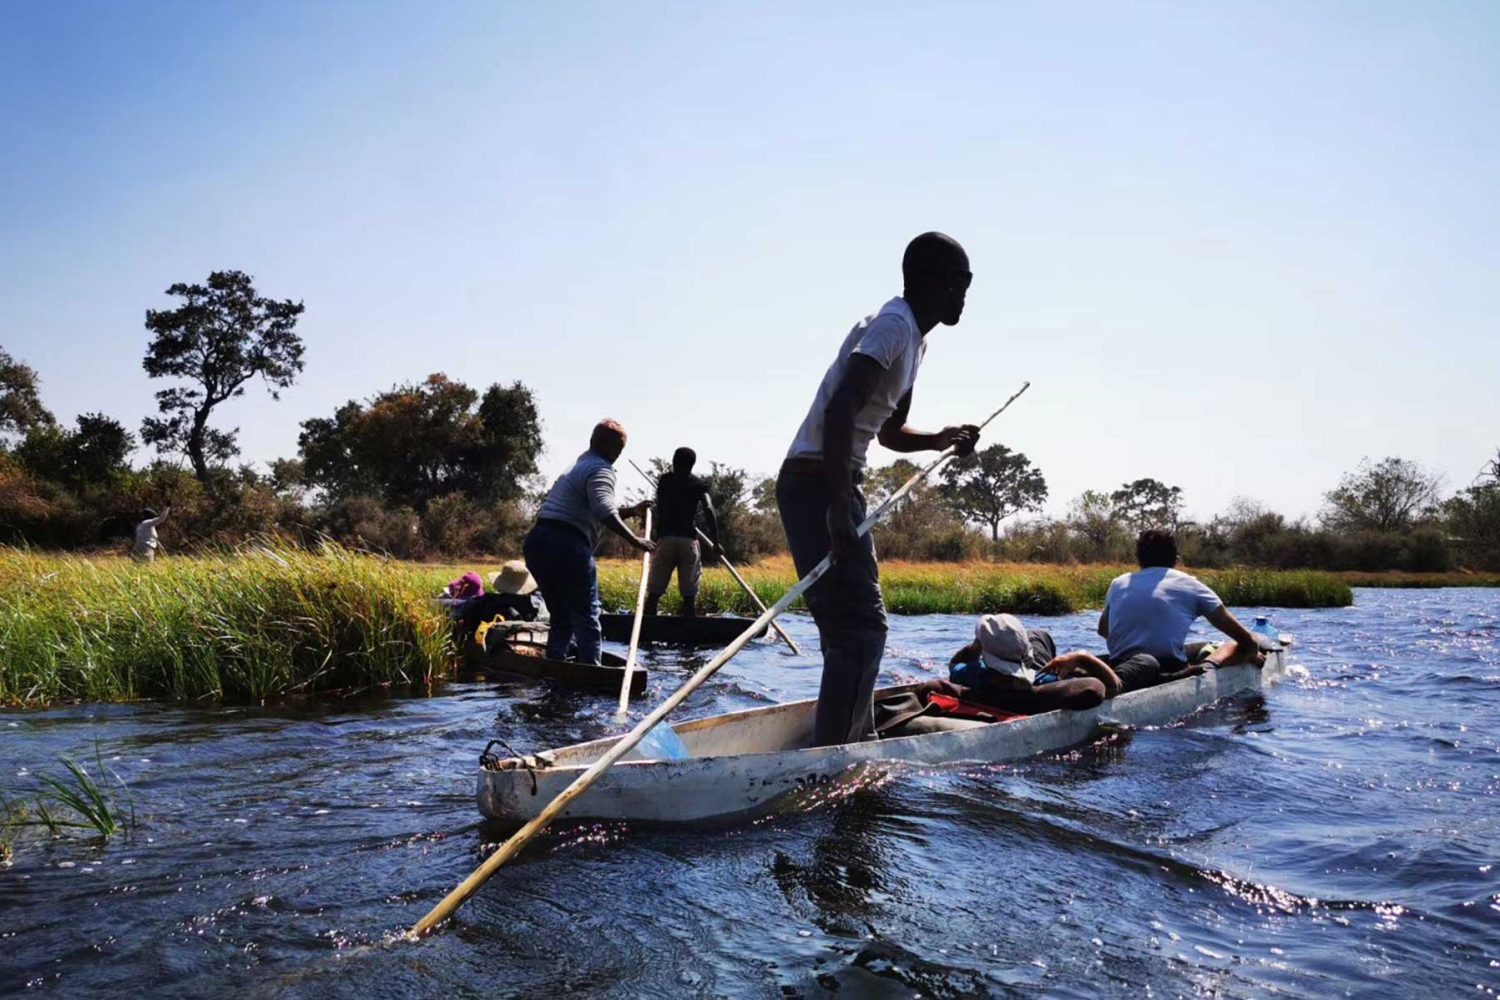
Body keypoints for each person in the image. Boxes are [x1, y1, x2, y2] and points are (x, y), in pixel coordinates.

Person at [777, 232, 981, 747]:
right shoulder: (893, 326)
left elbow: (888, 431)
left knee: (861, 628)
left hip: (837, 483)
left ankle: (849, 733)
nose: (966, 294)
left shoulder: (916, 339)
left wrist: (939, 439)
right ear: (932, 280)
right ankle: (836, 756)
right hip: (818, 484)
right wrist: (839, 509)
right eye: (962, 281)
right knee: (859, 630)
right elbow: (840, 409)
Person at [523, 419, 654, 664]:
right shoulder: (601, 468)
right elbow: (604, 509)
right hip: (567, 546)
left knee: (561, 615)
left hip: (538, 542)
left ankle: (555, 666)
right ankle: (591, 673)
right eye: (619, 450)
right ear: (613, 449)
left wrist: (632, 510)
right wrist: (635, 540)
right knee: (586, 615)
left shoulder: (578, 465)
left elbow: (593, 508)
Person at [1097, 528, 1266, 691]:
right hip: (1170, 669)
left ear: (1139, 559)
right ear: (1175, 559)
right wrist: (1251, 653)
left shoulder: (1118, 583)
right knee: (1236, 645)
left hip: (1121, 668)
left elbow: (1104, 631)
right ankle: (1207, 667)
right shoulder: (1190, 584)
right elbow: (1247, 640)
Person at [944, 612, 1122, 713]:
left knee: (1037, 634)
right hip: (1030, 671)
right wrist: (1082, 657)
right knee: (1038, 634)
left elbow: (954, 666)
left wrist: (976, 646)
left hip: (994, 687)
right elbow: (1113, 686)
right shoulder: (1042, 682)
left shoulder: (972, 674)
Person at [644, 447, 720, 618]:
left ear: (674, 461)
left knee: (654, 593)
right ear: (692, 465)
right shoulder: (698, 484)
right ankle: (688, 630)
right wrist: (716, 541)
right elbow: (708, 508)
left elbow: (661, 507)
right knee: (689, 595)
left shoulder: (665, 481)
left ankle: (648, 628)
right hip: (688, 541)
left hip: (666, 539)